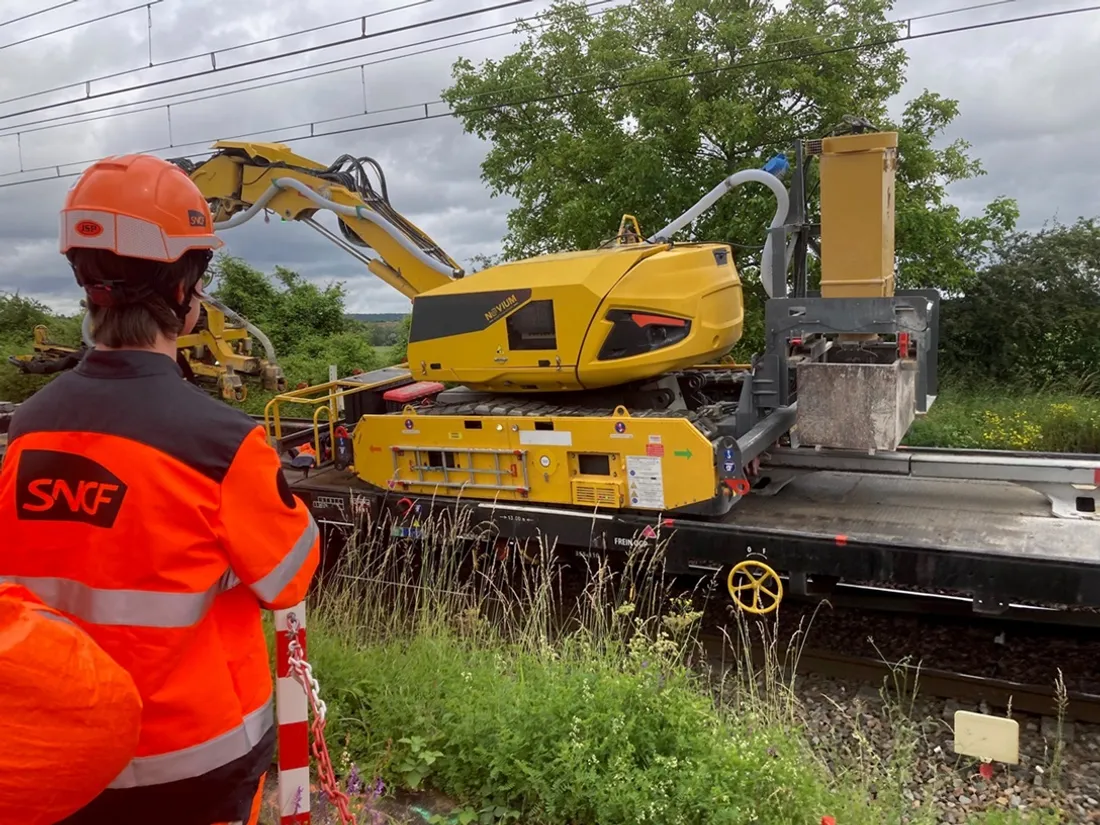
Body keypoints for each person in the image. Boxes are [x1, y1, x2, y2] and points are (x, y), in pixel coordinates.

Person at [0, 153, 321, 825]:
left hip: (57, 760)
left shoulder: (26, 432)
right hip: (193, 766)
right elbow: (289, 579)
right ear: (185, 291)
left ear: (86, 285)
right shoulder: (220, 445)